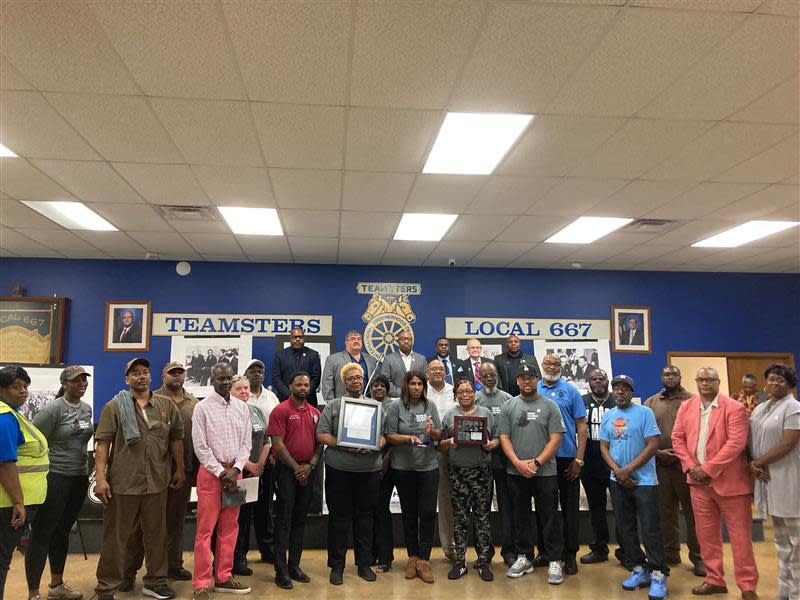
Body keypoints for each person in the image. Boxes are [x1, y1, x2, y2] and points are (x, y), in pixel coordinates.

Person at [93, 358, 184, 600]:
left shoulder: (166, 406)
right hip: (123, 483)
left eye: (145, 372)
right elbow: (103, 443)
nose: (141, 376)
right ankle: (107, 587)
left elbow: (176, 439)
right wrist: (100, 479)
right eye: (135, 373)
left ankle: (155, 582)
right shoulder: (114, 406)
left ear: (151, 377)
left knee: (157, 535)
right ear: (127, 379)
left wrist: (180, 469)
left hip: (157, 482)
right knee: (116, 537)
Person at [671, 367, 757, 600]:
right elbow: (677, 439)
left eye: (710, 379)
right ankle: (714, 579)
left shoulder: (735, 408)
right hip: (698, 485)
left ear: (718, 382)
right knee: (707, 537)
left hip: (732, 485)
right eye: (701, 379)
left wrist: (708, 469)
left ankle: (747, 586)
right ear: (696, 382)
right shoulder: (686, 407)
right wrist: (691, 467)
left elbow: (736, 444)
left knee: (740, 539)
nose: (705, 383)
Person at [122, 362, 198, 589]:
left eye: (180, 373)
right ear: (162, 376)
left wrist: (185, 468)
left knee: (175, 521)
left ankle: (172, 565)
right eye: (171, 373)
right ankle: (128, 572)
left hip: (182, 470)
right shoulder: (154, 399)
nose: (176, 376)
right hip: (152, 471)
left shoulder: (193, 402)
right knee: (142, 525)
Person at [599, 375, 668, 600]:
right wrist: (619, 472)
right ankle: (638, 569)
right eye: (616, 388)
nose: (620, 392)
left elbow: (653, 444)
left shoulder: (645, 413)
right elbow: (604, 447)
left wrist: (628, 469)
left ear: (631, 391)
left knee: (650, 528)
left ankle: (658, 573)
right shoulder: (608, 416)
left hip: (645, 481)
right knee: (625, 528)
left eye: (625, 388)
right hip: (618, 480)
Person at [26, 366, 91, 600]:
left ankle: (56, 586)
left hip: (79, 477)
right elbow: (33, 441)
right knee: (43, 533)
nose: (81, 383)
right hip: (55, 477)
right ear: (65, 384)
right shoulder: (53, 410)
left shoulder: (86, 409)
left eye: (84, 380)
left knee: (62, 531)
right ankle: (33, 593)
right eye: (76, 380)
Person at [316, 363, 384, 585]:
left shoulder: (375, 406)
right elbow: (321, 434)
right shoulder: (334, 406)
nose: (357, 380)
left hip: (368, 470)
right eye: (352, 378)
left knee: (365, 519)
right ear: (344, 382)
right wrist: (342, 444)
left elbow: (384, 437)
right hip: (340, 470)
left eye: (360, 377)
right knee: (339, 519)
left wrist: (374, 445)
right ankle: (337, 567)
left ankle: (364, 564)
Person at [498, 364, 565, 585]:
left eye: (531, 378)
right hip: (516, 472)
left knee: (549, 517)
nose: (527, 382)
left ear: (537, 380)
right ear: (517, 381)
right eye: (523, 378)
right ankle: (524, 557)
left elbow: (556, 438)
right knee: (520, 516)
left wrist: (536, 463)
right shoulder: (509, 406)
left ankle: (555, 559)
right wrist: (517, 463)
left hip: (545, 472)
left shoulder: (550, 406)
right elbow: (504, 438)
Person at [191, 363, 252, 600]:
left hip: (234, 474)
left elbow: (246, 443)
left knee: (230, 527)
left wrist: (236, 468)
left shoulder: (241, 408)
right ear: (212, 380)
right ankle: (201, 583)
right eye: (220, 379)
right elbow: (200, 446)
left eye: (229, 378)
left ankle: (224, 577)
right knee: (205, 530)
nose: (225, 383)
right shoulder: (202, 408)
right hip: (210, 474)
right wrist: (220, 472)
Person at [644, 366, 705, 576]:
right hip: (660, 465)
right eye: (666, 374)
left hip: (686, 466)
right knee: (665, 513)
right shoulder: (651, 403)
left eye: (674, 374)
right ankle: (670, 553)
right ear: (661, 378)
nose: (670, 378)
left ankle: (698, 558)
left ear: (680, 377)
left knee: (693, 514)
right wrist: (659, 453)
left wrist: (683, 456)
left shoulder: (693, 401)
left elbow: (701, 432)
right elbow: (643, 433)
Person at [384, 370, 443, 584]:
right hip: (403, 468)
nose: (416, 387)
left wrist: (432, 431)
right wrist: (408, 438)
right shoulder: (395, 407)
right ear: (406, 385)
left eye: (420, 384)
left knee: (427, 512)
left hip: (428, 467)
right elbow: (389, 435)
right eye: (413, 384)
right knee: (409, 513)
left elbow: (440, 434)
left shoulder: (430, 406)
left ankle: (425, 560)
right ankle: (413, 557)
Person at [438, 378, 498, 582]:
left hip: (481, 472)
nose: (465, 394)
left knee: (482, 518)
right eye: (461, 392)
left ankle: (483, 562)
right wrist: (449, 441)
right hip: (458, 473)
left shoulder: (486, 414)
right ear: (455, 394)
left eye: (468, 391)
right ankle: (461, 562)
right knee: (460, 519)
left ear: (474, 393)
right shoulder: (449, 416)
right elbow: (441, 444)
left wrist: (492, 444)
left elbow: (497, 438)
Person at [749, 364, 800, 600]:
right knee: (780, 543)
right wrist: (754, 462)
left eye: (780, 379)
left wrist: (757, 462)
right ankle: (784, 591)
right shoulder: (760, 408)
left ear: (790, 384)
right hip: (768, 480)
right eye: (771, 379)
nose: (775, 382)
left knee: (797, 544)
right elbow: (751, 438)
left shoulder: (794, 408)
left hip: (789, 479)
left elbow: (788, 443)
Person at [268, 371, 322, 590]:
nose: (303, 388)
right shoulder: (280, 411)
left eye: (306, 385)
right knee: (284, 520)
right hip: (286, 471)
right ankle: (280, 571)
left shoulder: (315, 412)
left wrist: (309, 467)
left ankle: (294, 566)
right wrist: (296, 468)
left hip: (308, 471)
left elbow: (320, 444)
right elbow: (278, 445)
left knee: (300, 520)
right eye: (298, 384)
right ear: (290, 386)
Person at [536, 352, 587, 574]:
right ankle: (546, 552)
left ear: (561, 367)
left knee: (569, 510)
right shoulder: (533, 389)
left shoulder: (571, 391)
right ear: (542, 365)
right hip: (541, 459)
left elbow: (582, 428)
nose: (552, 367)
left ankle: (569, 554)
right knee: (544, 510)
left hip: (567, 459)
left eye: (556, 364)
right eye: (548, 363)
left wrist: (579, 459)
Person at [0, 366, 48, 600]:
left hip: (11, 501)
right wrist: (19, 502)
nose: (23, 392)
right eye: (15, 387)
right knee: (1, 561)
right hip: (7, 503)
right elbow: (5, 463)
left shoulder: (11, 413)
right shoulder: (4, 417)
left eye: (25, 387)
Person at [578, 369, 621, 566]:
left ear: (607, 381)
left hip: (616, 463)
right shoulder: (582, 401)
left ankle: (627, 550)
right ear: (588, 382)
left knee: (622, 508)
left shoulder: (617, 401)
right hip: (590, 464)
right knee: (596, 509)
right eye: (593, 379)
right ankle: (599, 549)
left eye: (601, 378)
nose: (597, 382)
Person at [474, 362, 514, 567]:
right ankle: (484, 552)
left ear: (497, 376)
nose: (489, 378)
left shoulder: (508, 399)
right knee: (482, 509)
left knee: (507, 508)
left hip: (504, 462)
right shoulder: (474, 399)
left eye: (492, 375)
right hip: (481, 463)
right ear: (479, 377)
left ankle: (509, 551)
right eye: (485, 375)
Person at [229, 375, 269, 577]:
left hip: (254, 474)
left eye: (246, 388)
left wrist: (259, 464)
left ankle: (240, 558)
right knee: (229, 518)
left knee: (245, 517)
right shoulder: (228, 413)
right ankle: (224, 559)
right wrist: (249, 465)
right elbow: (228, 445)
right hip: (234, 473)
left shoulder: (257, 411)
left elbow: (267, 440)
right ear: (230, 391)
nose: (244, 391)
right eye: (239, 389)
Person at [243, 359, 280, 561]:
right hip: (244, 463)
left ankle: (267, 550)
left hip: (267, 460)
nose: (257, 373)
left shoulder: (271, 397)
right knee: (243, 510)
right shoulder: (241, 396)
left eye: (260, 370)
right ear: (246, 373)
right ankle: (240, 553)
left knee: (265, 507)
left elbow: (274, 429)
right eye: (253, 370)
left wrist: (272, 455)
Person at [424, 359, 456, 563]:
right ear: (427, 373)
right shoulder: (419, 390)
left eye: (441, 369)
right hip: (425, 452)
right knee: (424, 501)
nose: (438, 371)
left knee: (446, 500)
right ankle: (420, 550)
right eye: (433, 369)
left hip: (450, 451)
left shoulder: (454, 391)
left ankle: (449, 547)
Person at [368, 375, 395, 573]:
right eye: (375, 385)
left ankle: (385, 557)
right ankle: (370, 554)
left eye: (382, 386)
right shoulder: (365, 407)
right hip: (368, 467)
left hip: (388, 467)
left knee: (382, 512)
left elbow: (392, 440)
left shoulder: (393, 407)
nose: (378, 388)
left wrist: (384, 464)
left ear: (387, 389)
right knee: (370, 511)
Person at [322, 331, 378, 403]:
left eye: (359, 339)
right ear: (346, 342)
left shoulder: (371, 360)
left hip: (367, 404)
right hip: (342, 404)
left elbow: (375, 383)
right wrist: (332, 404)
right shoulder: (333, 359)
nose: (356, 341)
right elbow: (327, 384)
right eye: (353, 339)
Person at [271, 327, 322, 404]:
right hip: (285, 400)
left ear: (304, 339)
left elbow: (316, 378)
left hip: (308, 400)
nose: (297, 339)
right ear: (290, 339)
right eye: (295, 337)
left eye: (300, 337)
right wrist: (290, 395)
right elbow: (276, 378)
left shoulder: (313, 355)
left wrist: (304, 393)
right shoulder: (280, 355)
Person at [383, 329, 427, 397]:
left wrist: (416, 392)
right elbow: (385, 381)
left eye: (409, 339)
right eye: (402, 339)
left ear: (412, 341)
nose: (406, 341)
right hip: (396, 399)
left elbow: (425, 380)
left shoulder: (421, 359)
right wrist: (403, 393)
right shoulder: (389, 359)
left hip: (417, 399)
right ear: (397, 341)